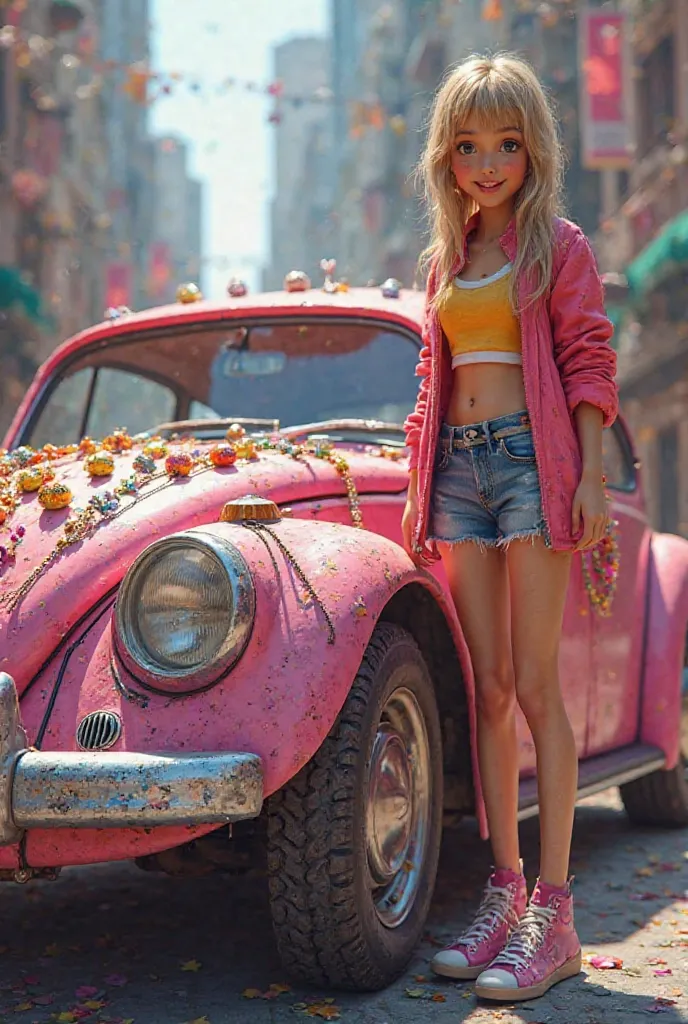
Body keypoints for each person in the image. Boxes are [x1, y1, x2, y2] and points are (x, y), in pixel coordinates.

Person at [401, 53, 618, 1002]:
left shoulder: (557, 247)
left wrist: (592, 478)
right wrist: (416, 488)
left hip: (533, 467)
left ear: (534, 150)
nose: (489, 162)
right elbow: (428, 384)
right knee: (485, 690)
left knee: (536, 687)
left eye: (508, 143)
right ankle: (504, 890)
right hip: (457, 473)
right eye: (470, 145)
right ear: (447, 160)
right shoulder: (449, 262)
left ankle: (556, 915)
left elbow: (585, 360)